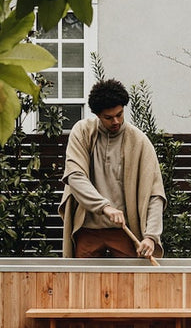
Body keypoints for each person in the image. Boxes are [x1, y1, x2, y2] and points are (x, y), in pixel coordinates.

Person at [59, 79, 166, 259]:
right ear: (98, 115)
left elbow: (155, 193)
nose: (116, 121)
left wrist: (151, 236)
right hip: (87, 229)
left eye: (120, 114)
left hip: (125, 232)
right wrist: (105, 207)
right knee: (81, 284)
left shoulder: (139, 141)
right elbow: (74, 176)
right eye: (108, 117)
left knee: (130, 284)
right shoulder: (83, 132)